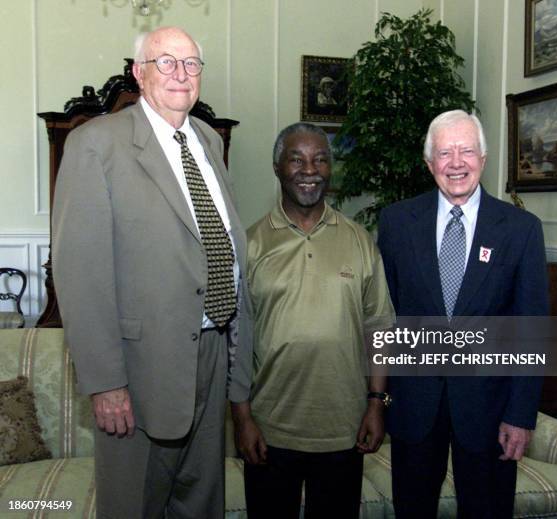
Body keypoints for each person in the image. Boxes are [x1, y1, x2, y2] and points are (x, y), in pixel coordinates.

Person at [52, 27, 252, 519]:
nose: (180, 74)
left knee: (201, 504)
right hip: (139, 372)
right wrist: (105, 382)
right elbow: (80, 274)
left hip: (210, 352)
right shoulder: (95, 144)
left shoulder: (206, 138)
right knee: (133, 506)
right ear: (140, 73)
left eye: (191, 64)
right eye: (165, 62)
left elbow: (218, 245)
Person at [377, 110, 549, 518]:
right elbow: (385, 315)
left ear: (484, 159)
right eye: (444, 153)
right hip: (415, 406)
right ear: (429, 163)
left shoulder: (521, 229)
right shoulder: (397, 222)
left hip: (489, 410)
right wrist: (376, 398)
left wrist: (520, 415)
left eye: (467, 151)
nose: (456, 163)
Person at [231, 122, 395, 519]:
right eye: (297, 159)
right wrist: (242, 419)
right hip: (270, 430)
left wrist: (376, 404)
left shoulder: (359, 241)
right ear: (277, 167)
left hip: (343, 430)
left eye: (320, 159)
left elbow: (380, 329)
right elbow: (234, 341)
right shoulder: (250, 244)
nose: (310, 169)